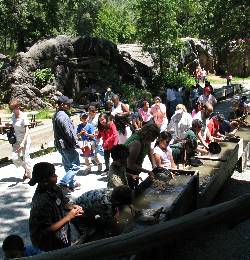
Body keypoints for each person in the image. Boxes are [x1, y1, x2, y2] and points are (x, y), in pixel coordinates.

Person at [29, 162, 83, 252]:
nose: (56, 176)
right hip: (48, 243)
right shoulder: (41, 202)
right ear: (44, 180)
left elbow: (62, 203)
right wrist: (68, 217)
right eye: (53, 175)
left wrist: (71, 207)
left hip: (61, 235)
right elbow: (46, 230)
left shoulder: (55, 188)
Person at [52, 95, 80, 192]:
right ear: (62, 105)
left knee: (68, 165)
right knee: (75, 165)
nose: (70, 105)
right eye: (68, 104)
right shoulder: (63, 116)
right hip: (67, 145)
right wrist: (76, 143)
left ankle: (71, 185)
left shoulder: (56, 114)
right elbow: (69, 132)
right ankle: (63, 183)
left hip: (60, 145)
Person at [125, 123, 160, 189]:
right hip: (127, 172)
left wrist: (153, 164)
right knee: (129, 193)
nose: (153, 140)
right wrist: (148, 171)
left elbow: (149, 150)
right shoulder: (136, 143)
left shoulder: (146, 139)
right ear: (149, 134)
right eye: (154, 137)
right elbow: (130, 165)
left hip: (135, 170)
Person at [8, 98, 32, 181]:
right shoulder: (13, 115)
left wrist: (23, 143)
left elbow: (27, 131)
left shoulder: (23, 116)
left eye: (14, 108)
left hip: (25, 140)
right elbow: (13, 124)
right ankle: (26, 169)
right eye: (11, 108)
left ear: (18, 106)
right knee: (14, 157)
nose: (13, 110)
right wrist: (9, 124)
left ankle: (30, 176)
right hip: (16, 140)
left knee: (26, 158)